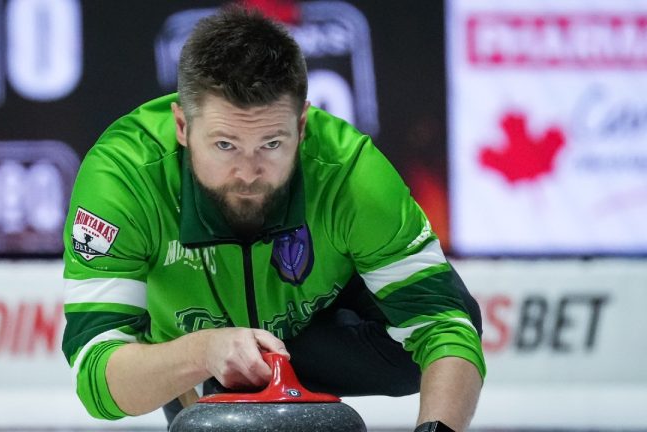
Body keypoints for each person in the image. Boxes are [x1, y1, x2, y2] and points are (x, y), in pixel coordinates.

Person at [61, 6, 485, 431]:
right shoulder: (123, 177)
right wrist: (202, 353)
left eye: (271, 143)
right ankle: (209, 377)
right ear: (183, 126)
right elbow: (97, 378)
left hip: (325, 330)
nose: (248, 171)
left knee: (455, 308)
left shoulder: (350, 173)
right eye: (225, 144)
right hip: (191, 355)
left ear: (301, 126)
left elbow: (444, 324)